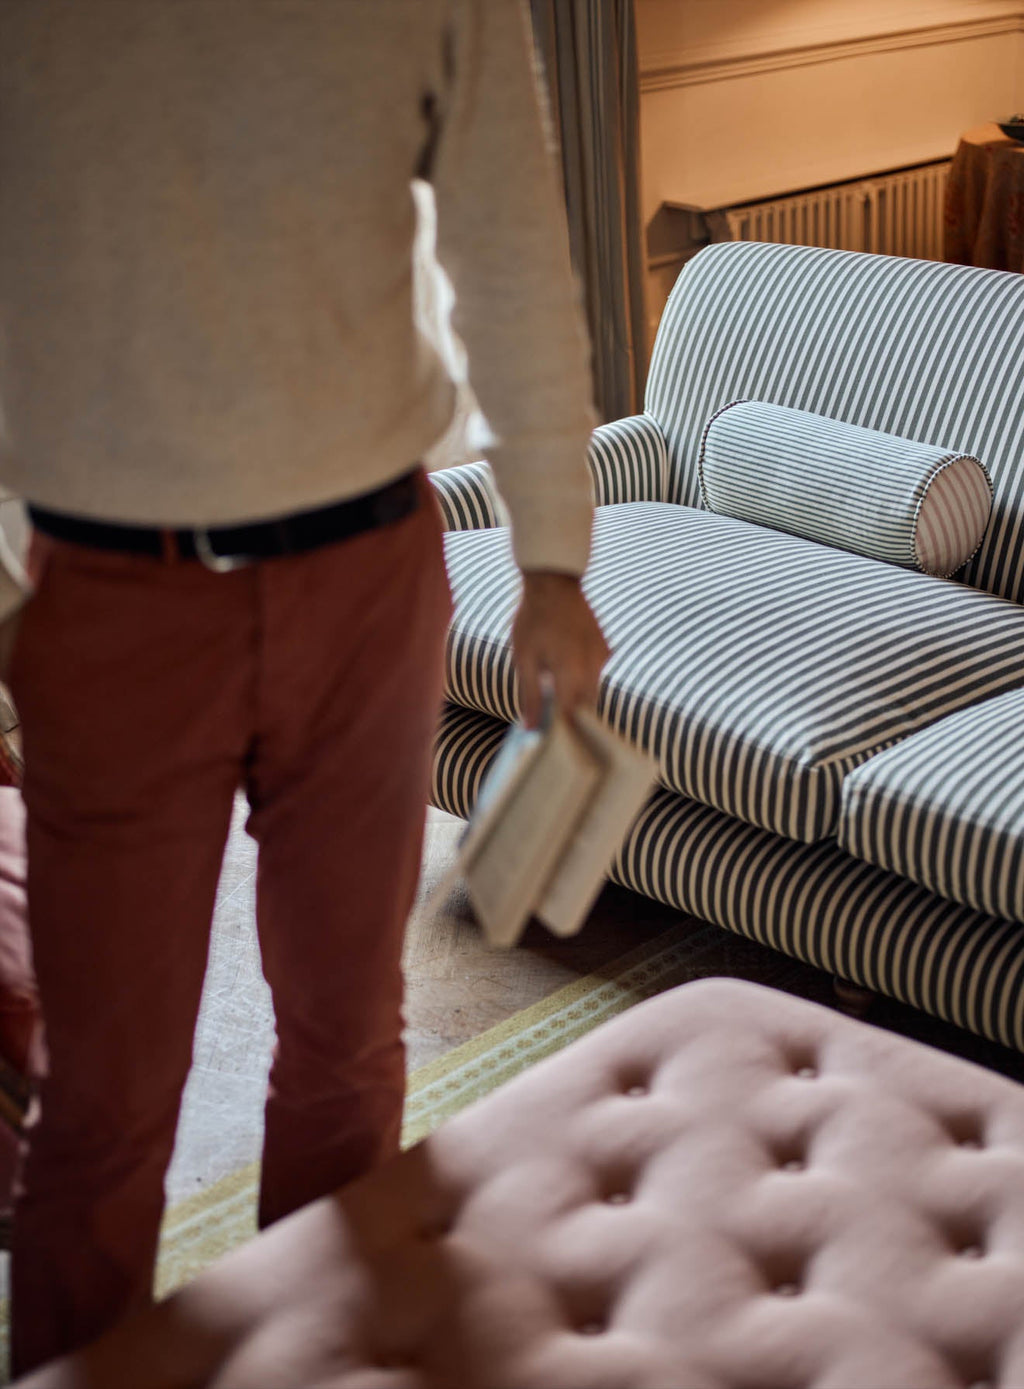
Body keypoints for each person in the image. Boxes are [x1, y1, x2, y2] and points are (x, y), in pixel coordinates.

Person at [0, 0, 609, 1373]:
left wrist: (556, 561)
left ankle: (324, 1365)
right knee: (103, 1106)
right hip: (110, 597)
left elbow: (509, 248)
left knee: (347, 1046)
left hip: (372, 574)